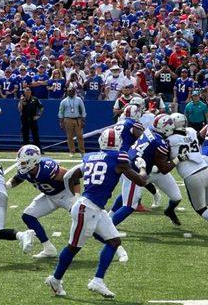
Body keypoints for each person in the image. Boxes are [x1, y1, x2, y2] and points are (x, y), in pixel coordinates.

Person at [44, 128, 147, 299]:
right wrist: (143, 167)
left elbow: (69, 176)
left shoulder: (90, 157)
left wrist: (75, 196)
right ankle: (55, 279)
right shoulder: (119, 158)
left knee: (114, 241)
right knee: (73, 247)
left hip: (94, 207)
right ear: (119, 143)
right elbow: (141, 181)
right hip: (88, 208)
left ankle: (98, 280)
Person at [110, 114, 184, 228]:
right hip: (135, 172)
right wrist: (178, 159)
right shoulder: (160, 143)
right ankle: (109, 227)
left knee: (176, 197)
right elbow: (164, 169)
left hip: (147, 168)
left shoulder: (149, 129)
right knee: (130, 205)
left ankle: (169, 211)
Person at [6, 145, 79, 258]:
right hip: (49, 197)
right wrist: (7, 185)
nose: (21, 165)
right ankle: (48, 248)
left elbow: (73, 176)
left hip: (65, 195)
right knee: (28, 216)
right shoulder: (27, 170)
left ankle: (112, 243)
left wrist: (76, 197)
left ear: (33, 161)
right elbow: (17, 179)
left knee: (84, 218)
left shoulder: (46, 168)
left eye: (24, 162)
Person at [58, 87, 86, 157]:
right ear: (67, 92)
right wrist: (61, 122)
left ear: (74, 92)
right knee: (69, 136)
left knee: (80, 136)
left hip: (77, 119)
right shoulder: (64, 101)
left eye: (72, 91)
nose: (71, 92)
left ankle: (82, 151)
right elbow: (61, 112)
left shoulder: (79, 100)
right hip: (67, 119)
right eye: (69, 91)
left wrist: (83, 120)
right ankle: (72, 151)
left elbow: (83, 110)